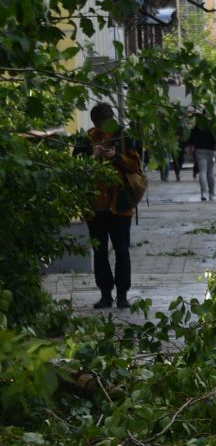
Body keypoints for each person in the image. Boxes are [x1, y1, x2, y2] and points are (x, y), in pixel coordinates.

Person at [81, 104, 142, 309]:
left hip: (120, 204)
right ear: (94, 123)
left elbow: (136, 166)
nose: (104, 129)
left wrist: (115, 156)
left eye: (107, 123)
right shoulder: (86, 139)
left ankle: (123, 294)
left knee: (122, 251)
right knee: (99, 253)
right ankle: (105, 294)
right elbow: (75, 167)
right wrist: (93, 156)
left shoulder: (124, 137)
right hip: (95, 205)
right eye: (100, 125)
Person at [187, 113, 216, 201]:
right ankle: (212, 194)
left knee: (202, 171)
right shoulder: (213, 127)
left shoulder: (197, 127)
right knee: (210, 172)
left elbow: (191, 140)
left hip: (200, 151)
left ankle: (204, 193)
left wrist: (191, 149)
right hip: (211, 151)